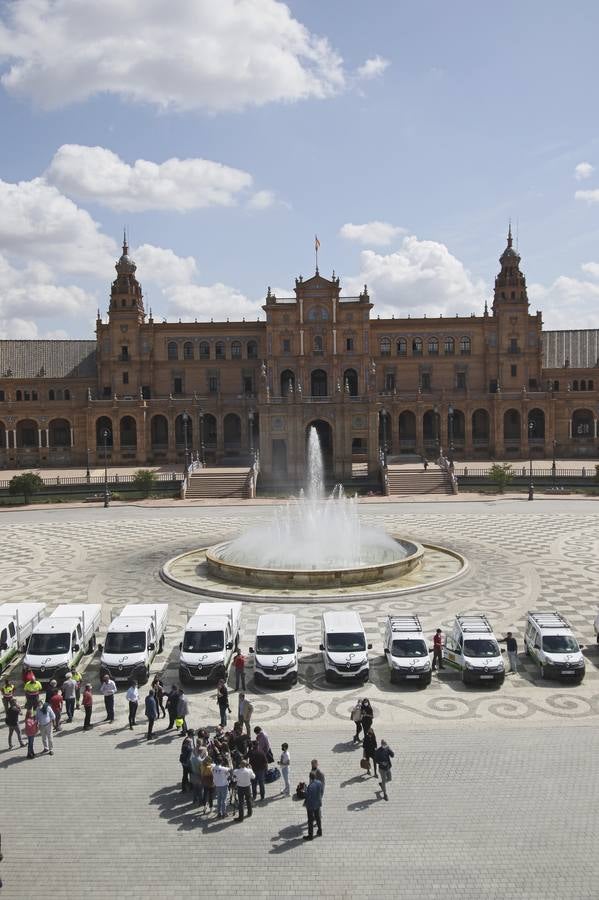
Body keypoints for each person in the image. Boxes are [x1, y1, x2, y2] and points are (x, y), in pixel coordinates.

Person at [303, 771, 323, 840]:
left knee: (310, 820)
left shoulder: (310, 786)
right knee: (318, 818)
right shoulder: (319, 783)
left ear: (310, 778)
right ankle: (320, 831)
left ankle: (310, 835)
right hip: (318, 803)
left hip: (311, 805)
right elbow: (321, 791)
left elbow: (307, 796)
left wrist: (305, 790)